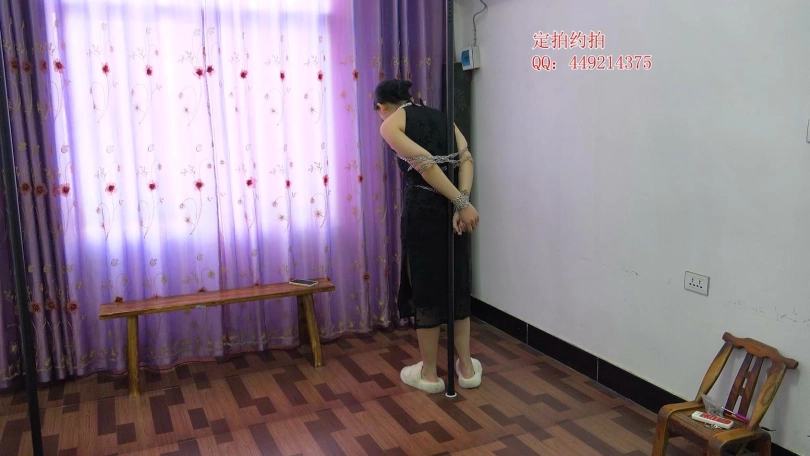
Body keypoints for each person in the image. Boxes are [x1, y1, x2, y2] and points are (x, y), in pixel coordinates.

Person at [374, 79, 482, 393]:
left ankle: (430, 374)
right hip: (453, 214)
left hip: (424, 212)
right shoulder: (442, 118)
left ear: (382, 106)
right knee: (456, 284)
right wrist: (461, 202)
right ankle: (466, 369)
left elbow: (425, 164)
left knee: (426, 288)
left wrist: (461, 203)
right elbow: (466, 158)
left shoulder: (391, 123)